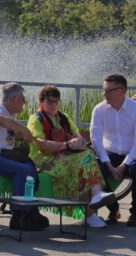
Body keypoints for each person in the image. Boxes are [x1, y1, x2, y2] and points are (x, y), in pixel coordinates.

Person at [27, 85, 115, 228]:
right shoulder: (35, 119)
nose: (54, 105)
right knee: (83, 163)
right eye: (50, 102)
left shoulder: (64, 117)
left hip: (66, 158)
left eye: (56, 101)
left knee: (85, 159)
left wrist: (76, 142)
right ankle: (92, 209)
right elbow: (41, 144)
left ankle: (93, 204)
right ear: (41, 102)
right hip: (44, 161)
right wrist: (66, 145)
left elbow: (79, 138)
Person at [0, 82, 49, 231]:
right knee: (22, 170)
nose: (24, 102)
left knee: (29, 166)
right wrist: (22, 128)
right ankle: (19, 216)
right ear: (13, 99)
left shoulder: (10, 114)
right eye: (22, 99)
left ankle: (30, 210)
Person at [91, 74, 136, 226]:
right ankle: (113, 208)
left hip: (132, 155)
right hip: (109, 155)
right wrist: (108, 164)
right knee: (93, 166)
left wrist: (124, 165)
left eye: (110, 90)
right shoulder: (99, 109)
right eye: (104, 90)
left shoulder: (134, 109)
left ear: (122, 90)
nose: (105, 94)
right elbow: (96, 140)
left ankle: (135, 214)